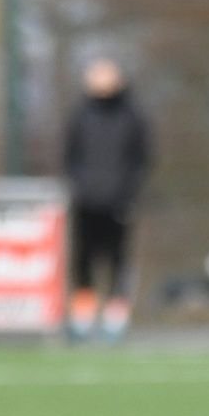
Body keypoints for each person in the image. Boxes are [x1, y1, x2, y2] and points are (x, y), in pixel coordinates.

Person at [59, 56, 153, 339]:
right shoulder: (80, 114)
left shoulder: (132, 115)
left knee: (118, 260)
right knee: (83, 260)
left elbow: (142, 157)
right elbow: (69, 155)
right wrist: (78, 185)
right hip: (85, 200)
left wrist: (129, 190)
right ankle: (82, 320)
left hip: (119, 200)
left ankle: (115, 321)